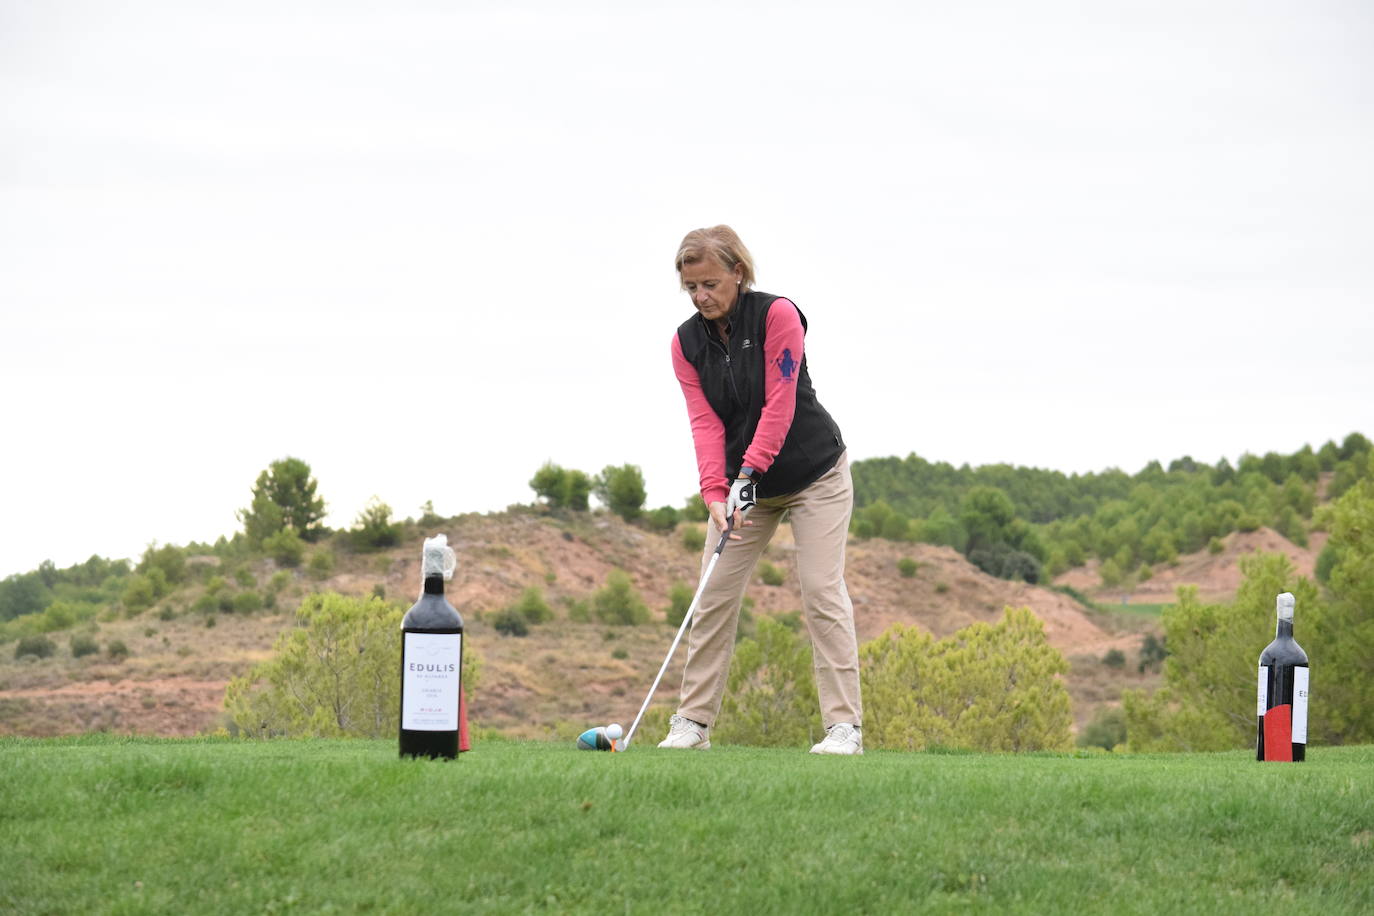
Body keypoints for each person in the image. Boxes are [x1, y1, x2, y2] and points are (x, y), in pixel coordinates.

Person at [660, 225, 863, 755]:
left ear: (738, 273)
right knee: (712, 593)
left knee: (821, 592)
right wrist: (713, 493)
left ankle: (845, 728)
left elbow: (781, 401)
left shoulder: (778, 316)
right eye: (691, 288)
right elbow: (704, 422)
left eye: (710, 284)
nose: (702, 297)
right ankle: (692, 724)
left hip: (814, 474)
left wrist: (747, 475)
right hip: (742, 486)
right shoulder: (685, 345)